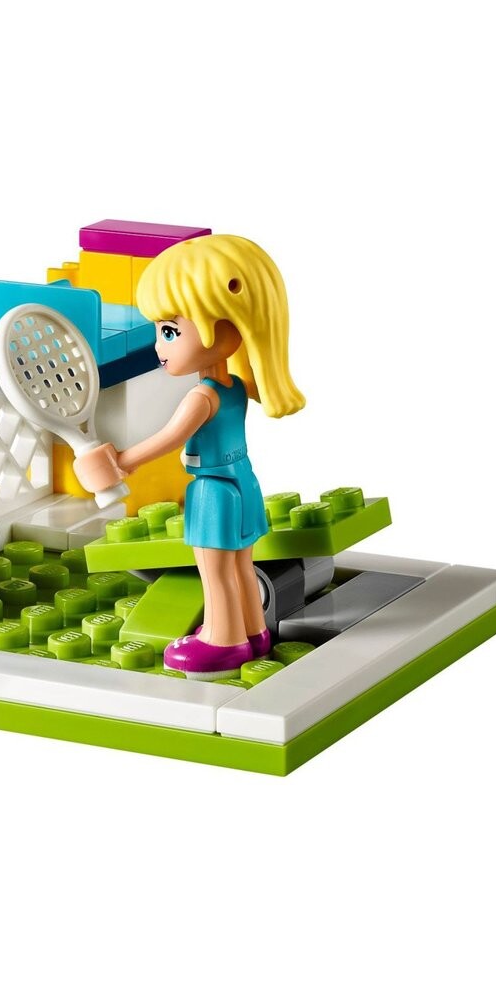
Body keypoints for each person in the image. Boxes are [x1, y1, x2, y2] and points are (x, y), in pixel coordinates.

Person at [74, 234, 305, 679]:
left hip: (214, 491)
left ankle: (222, 640)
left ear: (226, 325)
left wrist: (122, 461)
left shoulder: (202, 397)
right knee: (241, 564)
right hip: (244, 482)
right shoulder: (236, 387)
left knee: (214, 570)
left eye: (170, 332)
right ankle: (253, 632)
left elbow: (169, 438)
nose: (159, 346)